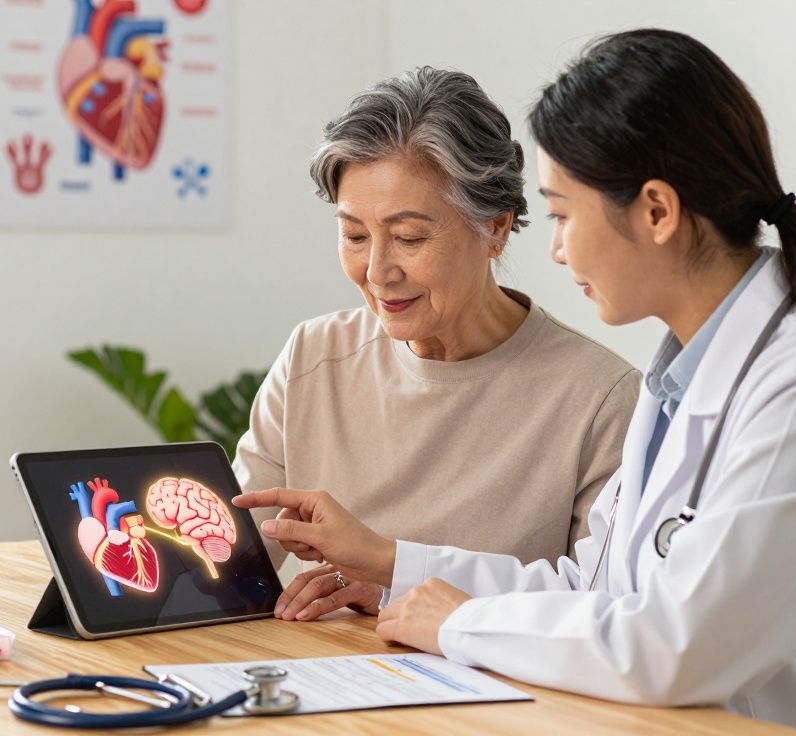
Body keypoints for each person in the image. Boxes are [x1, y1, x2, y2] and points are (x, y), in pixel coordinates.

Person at [235, 30, 796, 735]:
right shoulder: (683, 381)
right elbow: (590, 589)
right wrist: (405, 575)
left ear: (658, 212)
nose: (553, 246)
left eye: (563, 213)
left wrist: (459, 621)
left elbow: (678, 649)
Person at [232, 67, 639, 621]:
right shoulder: (314, 357)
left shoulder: (600, 398)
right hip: (330, 688)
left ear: (495, 228)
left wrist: (397, 585)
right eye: (353, 235)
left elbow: (605, 608)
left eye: (409, 238)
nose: (377, 271)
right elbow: (224, 557)